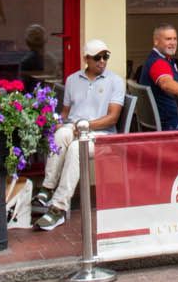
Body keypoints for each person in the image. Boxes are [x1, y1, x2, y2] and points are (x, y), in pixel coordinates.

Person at [32, 41, 127, 232]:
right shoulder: (72, 80)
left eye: (105, 57)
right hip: (74, 127)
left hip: (101, 134)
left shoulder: (115, 81)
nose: (102, 61)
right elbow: (66, 112)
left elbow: (112, 118)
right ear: (87, 59)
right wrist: (60, 121)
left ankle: (58, 207)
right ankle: (47, 188)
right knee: (60, 135)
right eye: (97, 57)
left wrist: (85, 126)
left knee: (77, 147)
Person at [138, 25, 178, 129]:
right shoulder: (158, 62)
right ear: (156, 41)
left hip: (172, 117)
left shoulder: (166, 59)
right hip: (172, 122)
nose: (173, 43)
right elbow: (166, 83)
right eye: (168, 39)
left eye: (175, 39)